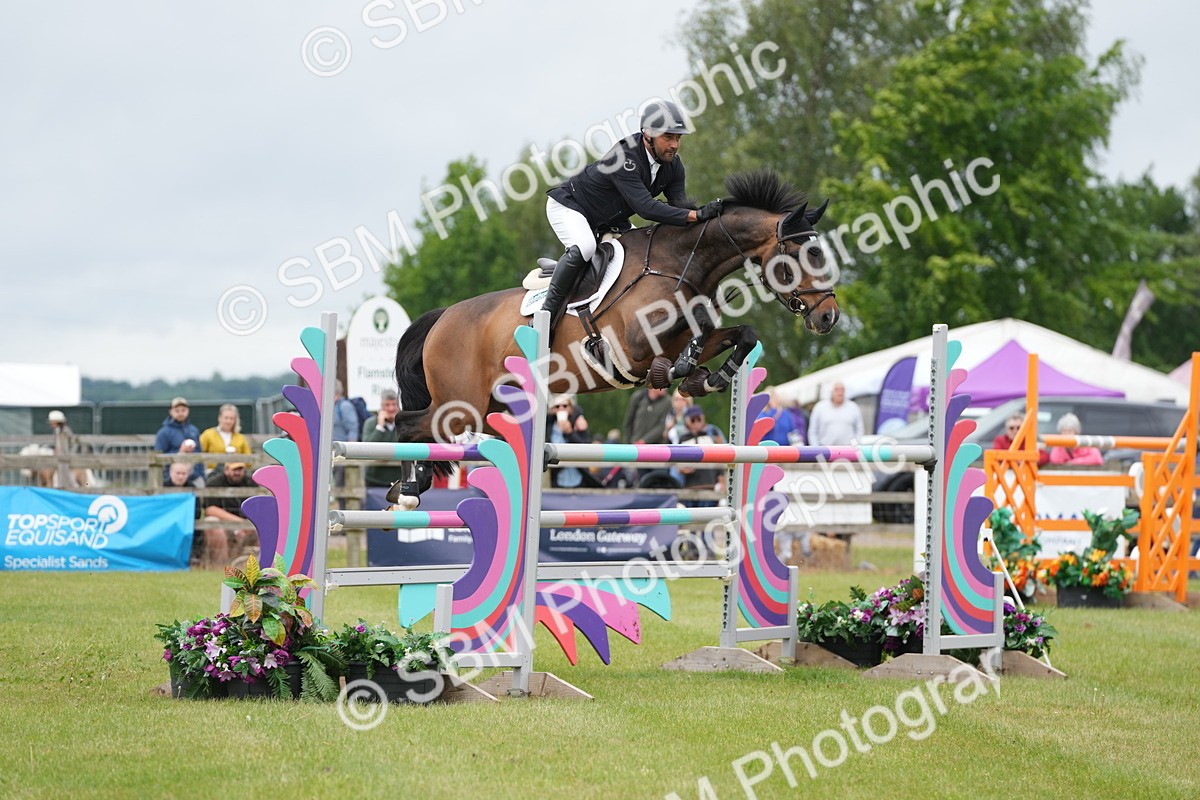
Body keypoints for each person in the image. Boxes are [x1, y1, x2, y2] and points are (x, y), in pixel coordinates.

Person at [541, 100, 723, 343]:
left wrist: (704, 217)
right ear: (648, 134)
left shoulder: (673, 166)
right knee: (585, 247)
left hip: (609, 222)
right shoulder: (624, 157)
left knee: (646, 253)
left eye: (678, 138)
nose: (674, 145)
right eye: (668, 137)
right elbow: (646, 208)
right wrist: (695, 216)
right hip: (571, 206)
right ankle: (544, 320)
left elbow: (679, 206)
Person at [202, 461, 259, 567]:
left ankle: (259, 565)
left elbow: (258, 507)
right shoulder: (214, 484)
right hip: (225, 525)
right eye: (234, 470)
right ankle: (220, 566)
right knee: (211, 522)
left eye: (240, 469)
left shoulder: (251, 484)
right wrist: (239, 523)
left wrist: (249, 524)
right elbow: (210, 510)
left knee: (264, 526)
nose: (237, 473)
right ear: (226, 470)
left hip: (248, 525)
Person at [674, 406, 727, 503]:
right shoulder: (683, 439)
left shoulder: (711, 436)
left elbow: (719, 460)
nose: (696, 422)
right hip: (690, 486)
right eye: (693, 420)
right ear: (687, 421)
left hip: (709, 485)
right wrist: (682, 469)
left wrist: (721, 481)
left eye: (698, 419)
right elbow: (678, 463)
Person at [545, 394, 599, 489]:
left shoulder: (578, 423)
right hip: (557, 478)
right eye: (557, 406)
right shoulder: (548, 425)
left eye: (565, 406)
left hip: (579, 478)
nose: (561, 409)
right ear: (553, 409)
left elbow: (585, 447)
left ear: (570, 408)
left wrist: (570, 432)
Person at [362, 389, 407, 490]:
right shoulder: (370, 424)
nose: (391, 408)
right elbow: (367, 448)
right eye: (387, 405)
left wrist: (398, 423)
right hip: (374, 479)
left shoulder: (405, 424)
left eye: (394, 404)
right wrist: (380, 427)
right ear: (381, 407)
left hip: (400, 479)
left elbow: (404, 445)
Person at [154, 397, 203, 484]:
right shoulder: (164, 433)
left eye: (183, 410)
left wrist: (201, 475)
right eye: (177, 410)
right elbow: (158, 457)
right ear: (171, 412)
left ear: (188, 411)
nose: (180, 413)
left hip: (194, 477)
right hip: (171, 479)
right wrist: (180, 452)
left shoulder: (194, 430)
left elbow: (199, 454)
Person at [164, 461, 204, 566]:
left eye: (183, 473)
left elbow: (197, 512)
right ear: (170, 472)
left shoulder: (193, 489)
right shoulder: (162, 488)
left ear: (188, 474)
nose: (180, 477)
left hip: (188, 525)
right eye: (178, 473)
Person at [199, 403, 252, 471]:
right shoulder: (208, 434)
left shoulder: (240, 438)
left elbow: (249, 461)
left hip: (235, 473)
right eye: (226, 418)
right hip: (213, 471)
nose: (228, 421)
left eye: (231, 418)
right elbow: (198, 453)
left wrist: (237, 457)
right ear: (220, 418)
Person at [807, 382, 864, 447]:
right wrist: (817, 451)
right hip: (825, 450)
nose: (840, 393)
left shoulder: (853, 407)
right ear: (831, 391)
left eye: (842, 389)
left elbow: (859, 430)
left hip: (848, 451)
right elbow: (813, 432)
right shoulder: (819, 407)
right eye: (836, 389)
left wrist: (855, 446)